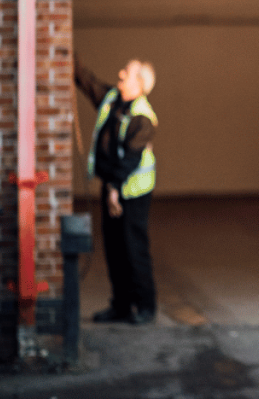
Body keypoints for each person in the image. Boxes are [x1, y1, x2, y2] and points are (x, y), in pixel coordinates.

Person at [75, 56, 159, 324]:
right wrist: (69, 58)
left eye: (128, 72)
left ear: (141, 83)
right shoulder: (112, 99)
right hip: (113, 185)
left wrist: (114, 189)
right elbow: (89, 83)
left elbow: (132, 158)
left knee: (134, 249)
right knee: (113, 249)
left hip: (132, 192)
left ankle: (146, 307)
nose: (120, 73)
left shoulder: (143, 117)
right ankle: (121, 306)